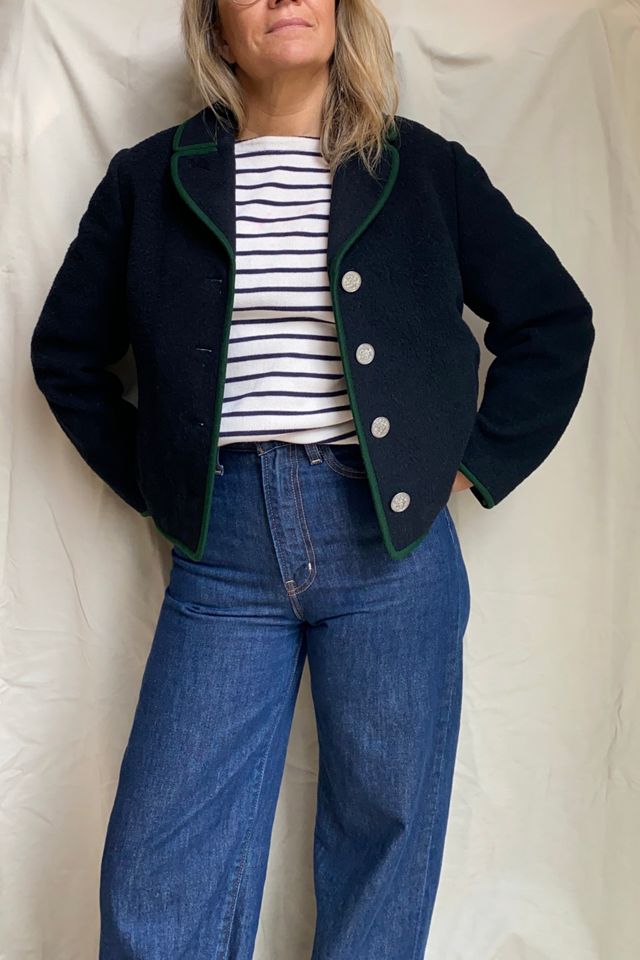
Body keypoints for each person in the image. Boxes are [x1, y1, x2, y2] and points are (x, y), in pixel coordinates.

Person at [29, 1, 595, 958]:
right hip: (223, 555)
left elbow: (553, 323)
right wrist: (169, 483)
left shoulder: (424, 170)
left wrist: (470, 464)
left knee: (385, 841)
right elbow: (66, 355)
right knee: (159, 862)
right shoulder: (150, 180)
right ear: (216, 27)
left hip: (391, 547)